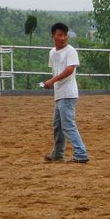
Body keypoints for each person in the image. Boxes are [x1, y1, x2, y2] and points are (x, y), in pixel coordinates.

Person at [42, 23, 90, 164]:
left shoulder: (70, 51)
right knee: (58, 125)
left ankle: (81, 153)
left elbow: (69, 70)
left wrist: (52, 81)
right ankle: (58, 154)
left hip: (68, 93)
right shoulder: (52, 53)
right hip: (60, 94)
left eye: (64, 35)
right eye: (60, 35)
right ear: (53, 37)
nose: (63, 38)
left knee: (67, 124)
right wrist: (52, 83)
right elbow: (56, 70)